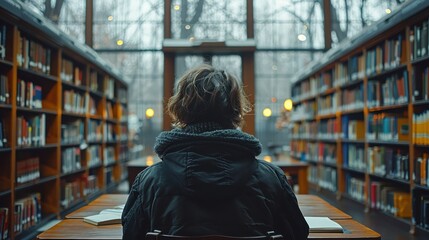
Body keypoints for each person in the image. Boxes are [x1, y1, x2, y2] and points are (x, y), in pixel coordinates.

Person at [121, 64, 309, 240]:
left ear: (179, 109)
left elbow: (130, 235)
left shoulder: (149, 181)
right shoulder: (272, 178)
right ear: (235, 110)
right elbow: (297, 233)